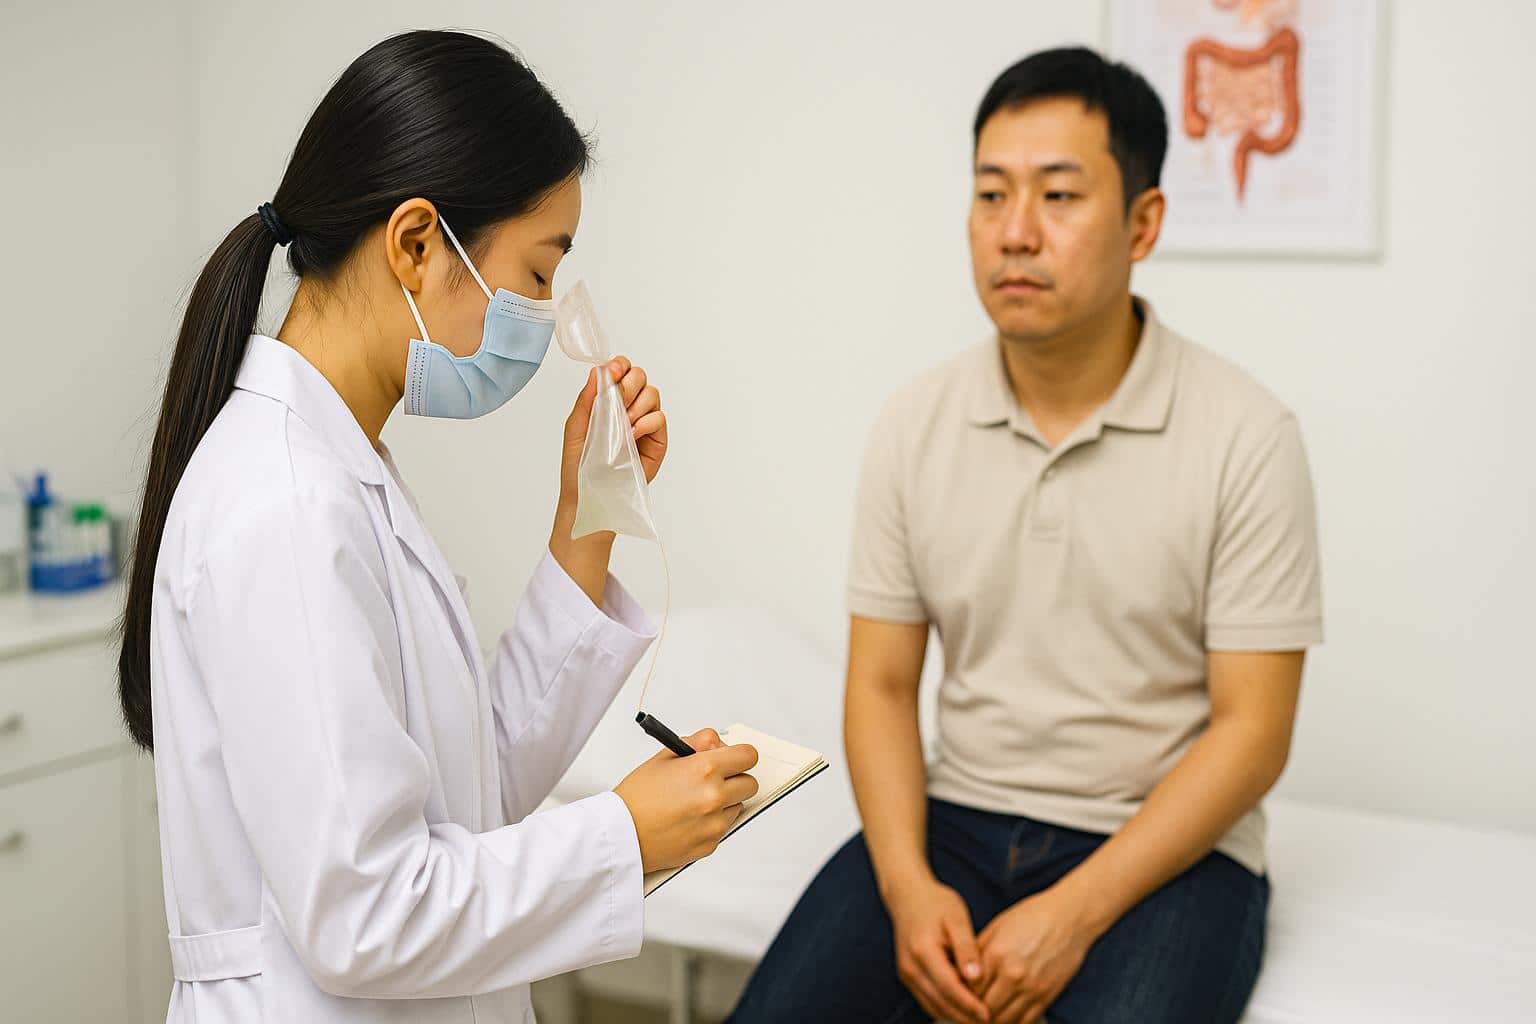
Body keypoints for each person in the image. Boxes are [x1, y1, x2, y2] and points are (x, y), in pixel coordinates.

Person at [116, 30, 758, 1023]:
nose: (541, 320)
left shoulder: (343, 467)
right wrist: (624, 838)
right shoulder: (284, 501)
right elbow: (365, 913)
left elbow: (470, 786)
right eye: (539, 274)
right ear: (417, 243)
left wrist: (587, 515)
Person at [729, 47, 1322, 1024]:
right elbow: (880, 686)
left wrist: (1073, 914)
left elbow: (1252, 733)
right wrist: (908, 887)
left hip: (1166, 848)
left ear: (1144, 222)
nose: (1015, 234)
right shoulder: (915, 422)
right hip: (955, 825)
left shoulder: (1246, 435)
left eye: (1058, 196)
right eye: (991, 195)